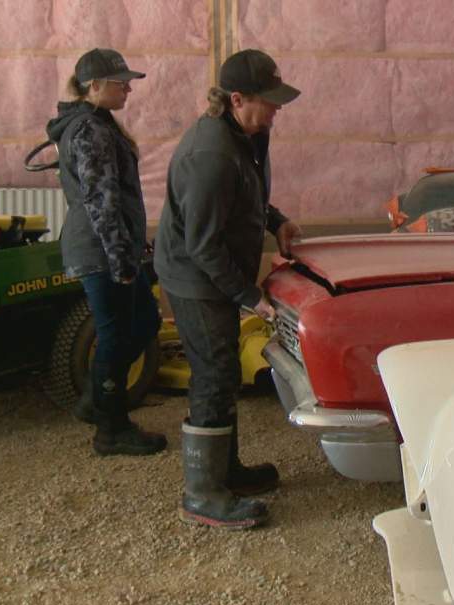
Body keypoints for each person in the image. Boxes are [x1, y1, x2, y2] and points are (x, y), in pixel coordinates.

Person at [155, 49, 301, 530]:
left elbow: (248, 196)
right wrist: (247, 294)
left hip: (210, 269)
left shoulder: (245, 134)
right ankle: (202, 493)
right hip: (195, 278)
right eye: (270, 101)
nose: (277, 109)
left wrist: (275, 221)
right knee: (215, 372)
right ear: (237, 99)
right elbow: (202, 245)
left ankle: (227, 471)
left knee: (224, 368)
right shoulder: (211, 155)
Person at [46, 48, 166, 456]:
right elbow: (101, 200)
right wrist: (121, 261)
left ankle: (98, 399)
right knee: (115, 336)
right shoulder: (89, 130)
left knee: (144, 322)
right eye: (121, 82)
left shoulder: (96, 124)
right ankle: (111, 430)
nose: (128, 88)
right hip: (101, 252)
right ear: (94, 86)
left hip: (110, 247)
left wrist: (133, 246)